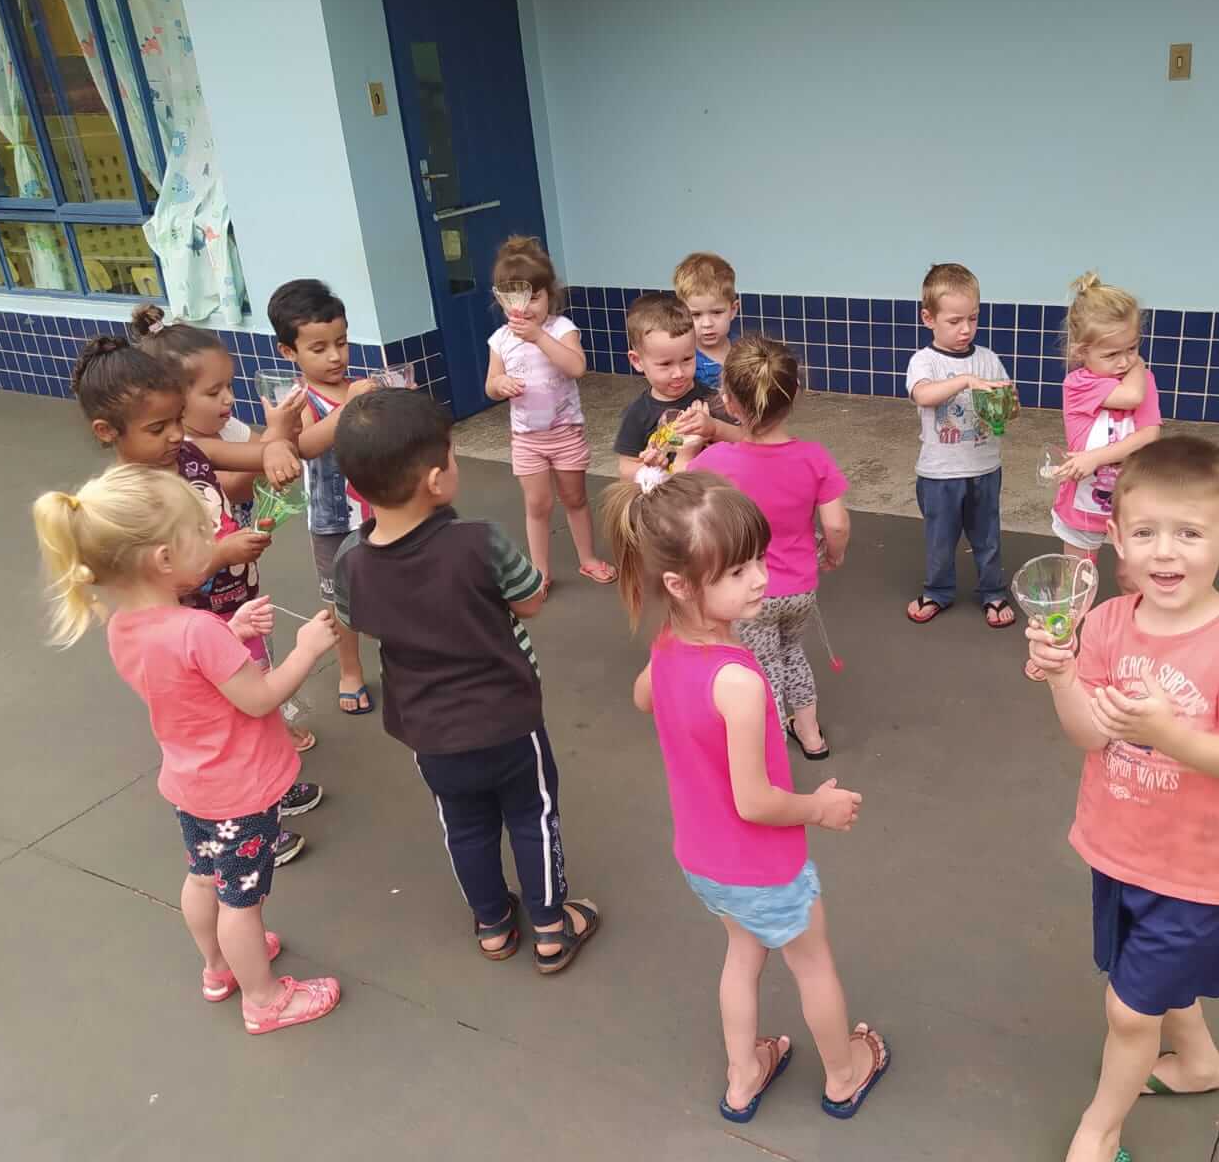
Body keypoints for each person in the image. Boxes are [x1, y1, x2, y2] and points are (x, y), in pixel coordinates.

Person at [1027, 436, 1219, 1162]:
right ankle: (1199, 1063)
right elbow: (1088, 735)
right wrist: (1062, 678)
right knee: (1148, 980)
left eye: (1189, 533)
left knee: (1128, 1008)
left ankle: (1100, 1131)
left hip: (1196, 876)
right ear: (1116, 538)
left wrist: (1166, 733)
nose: (1165, 552)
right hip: (1117, 850)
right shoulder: (1110, 622)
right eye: (1145, 532)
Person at [604, 469, 889, 1124]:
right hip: (764, 865)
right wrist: (820, 808)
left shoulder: (669, 643)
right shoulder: (738, 681)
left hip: (703, 858)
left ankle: (743, 1075)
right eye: (737, 571)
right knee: (812, 964)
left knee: (742, 953)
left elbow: (643, 697)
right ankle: (844, 1074)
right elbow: (756, 803)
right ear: (680, 584)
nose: (760, 578)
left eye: (759, 559)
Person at [32, 464, 341, 1034]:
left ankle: (218, 969)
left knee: (203, 878)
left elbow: (184, 674)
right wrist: (306, 649)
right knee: (241, 903)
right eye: (201, 532)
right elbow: (259, 698)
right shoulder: (197, 630)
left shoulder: (126, 627)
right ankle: (264, 1000)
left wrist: (232, 632)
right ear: (164, 559)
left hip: (191, 786)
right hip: (240, 791)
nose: (213, 538)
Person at [332, 389, 600, 972]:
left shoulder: (351, 560)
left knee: (465, 825)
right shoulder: (479, 541)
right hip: (508, 719)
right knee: (532, 815)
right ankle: (551, 926)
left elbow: (353, 620)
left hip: (428, 730)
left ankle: (493, 925)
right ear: (435, 480)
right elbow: (529, 602)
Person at [71, 336, 318, 859]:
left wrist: (275, 445)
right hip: (194, 626)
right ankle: (248, 824)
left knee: (254, 696)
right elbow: (155, 575)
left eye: (178, 420)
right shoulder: (128, 499)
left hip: (233, 605)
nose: (175, 435)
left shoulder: (189, 453)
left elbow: (255, 453)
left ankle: (271, 788)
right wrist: (221, 552)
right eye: (158, 427)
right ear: (107, 431)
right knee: (228, 718)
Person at [129, 303, 320, 759]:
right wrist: (275, 440)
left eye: (229, 386)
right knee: (224, 682)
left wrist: (279, 440)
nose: (228, 399)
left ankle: (268, 736)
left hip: (234, 585)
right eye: (214, 391)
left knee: (254, 659)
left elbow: (264, 454)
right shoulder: (163, 467)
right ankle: (253, 757)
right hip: (198, 606)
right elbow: (233, 484)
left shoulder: (202, 444)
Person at [676, 334, 850, 760]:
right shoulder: (814, 457)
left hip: (749, 590)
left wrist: (688, 448)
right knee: (792, 653)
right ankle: (810, 735)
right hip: (801, 588)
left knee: (761, 666)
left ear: (728, 402)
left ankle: (768, 746)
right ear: (795, 393)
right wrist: (834, 553)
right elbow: (836, 523)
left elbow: (677, 487)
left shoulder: (718, 461)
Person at [267, 278, 377, 716]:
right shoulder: (297, 400)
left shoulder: (358, 388)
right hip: (333, 521)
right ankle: (350, 671)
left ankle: (406, 661)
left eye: (342, 343)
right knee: (339, 601)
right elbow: (306, 445)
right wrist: (352, 407)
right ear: (288, 351)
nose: (335, 356)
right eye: (319, 348)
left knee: (394, 587)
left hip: (379, 511)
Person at [484, 235, 614, 590]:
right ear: (501, 300)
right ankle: (540, 572)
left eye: (534, 298)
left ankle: (587, 558)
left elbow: (576, 367)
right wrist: (500, 384)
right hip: (527, 439)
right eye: (514, 300)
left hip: (566, 433)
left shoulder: (561, 329)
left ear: (549, 294)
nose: (525, 309)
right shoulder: (500, 340)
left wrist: (539, 337)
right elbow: (490, 384)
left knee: (575, 498)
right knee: (537, 505)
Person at [902, 262, 1016, 629]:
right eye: (954, 321)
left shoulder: (988, 359)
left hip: (985, 468)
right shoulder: (925, 362)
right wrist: (965, 380)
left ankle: (993, 592)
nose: (965, 329)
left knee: (988, 536)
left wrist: (1007, 403)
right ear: (928, 318)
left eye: (973, 318)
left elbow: (1007, 405)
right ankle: (938, 590)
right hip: (939, 473)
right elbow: (924, 395)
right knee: (940, 538)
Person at [1051, 273, 1163, 586]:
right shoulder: (1078, 384)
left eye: (1132, 348)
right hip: (1083, 503)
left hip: (1133, 503)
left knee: (1133, 578)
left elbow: (1149, 435)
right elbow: (1130, 397)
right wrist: (1140, 365)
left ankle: (1135, 619)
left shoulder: (1142, 380)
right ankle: (1072, 621)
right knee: (1077, 579)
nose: (1125, 362)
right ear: (1081, 352)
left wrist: (1096, 458)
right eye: (1111, 354)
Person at [613, 293, 742, 481]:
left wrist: (714, 428)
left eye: (687, 359)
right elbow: (625, 468)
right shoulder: (637, 414)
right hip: (667, 496)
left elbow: (746, 441)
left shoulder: (714, 400)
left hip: (712, 493)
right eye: (665, 364)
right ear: (637, 361)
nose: (679, 373)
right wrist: (650, 468)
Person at [672, 251, 740, 388]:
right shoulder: (684, 361)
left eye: (716, 312)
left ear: (733, 310)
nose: (707, 324)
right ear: (682, 313)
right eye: (696, 315)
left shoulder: (743, 349)